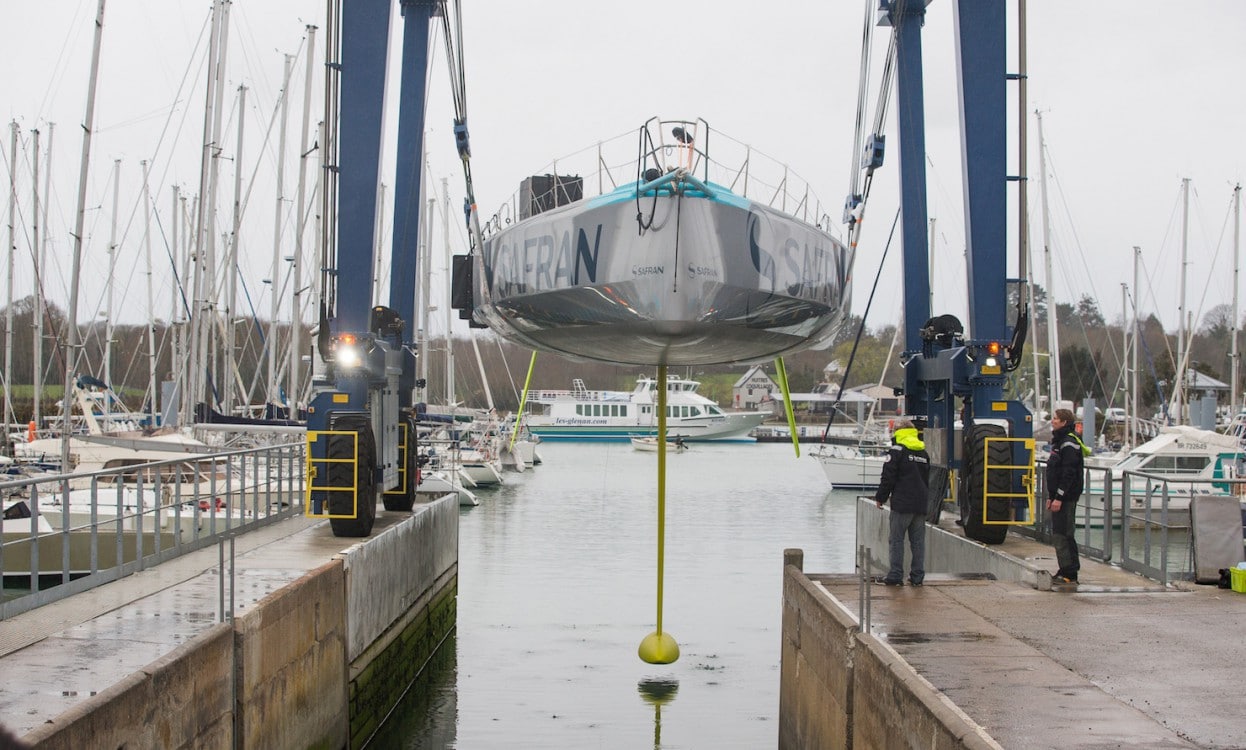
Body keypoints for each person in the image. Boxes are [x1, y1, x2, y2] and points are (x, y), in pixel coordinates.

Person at [873, 418, 931, 586]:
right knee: (918, 542)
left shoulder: (897, 451)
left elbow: (888, 478)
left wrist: (880, 497)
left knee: (897, 540)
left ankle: (896, 575)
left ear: (897, 432)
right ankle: (917, 576)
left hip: (902, 504)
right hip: (920, 504)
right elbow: (927, 479)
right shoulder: (923, 452)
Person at [1046, 408, 1085, 586]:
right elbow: (1054, 471)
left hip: (1066, 498)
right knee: (1058, 535)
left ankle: (1070, 573)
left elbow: (1068, 473)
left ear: (1063, 422)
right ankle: (1064, 569)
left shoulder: (1068, 443)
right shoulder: (1059, 441)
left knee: (1065, 534)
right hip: (1058, 497)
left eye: (1056, 418)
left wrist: (1059, 497)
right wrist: (1050, 496)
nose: (1052, 421)